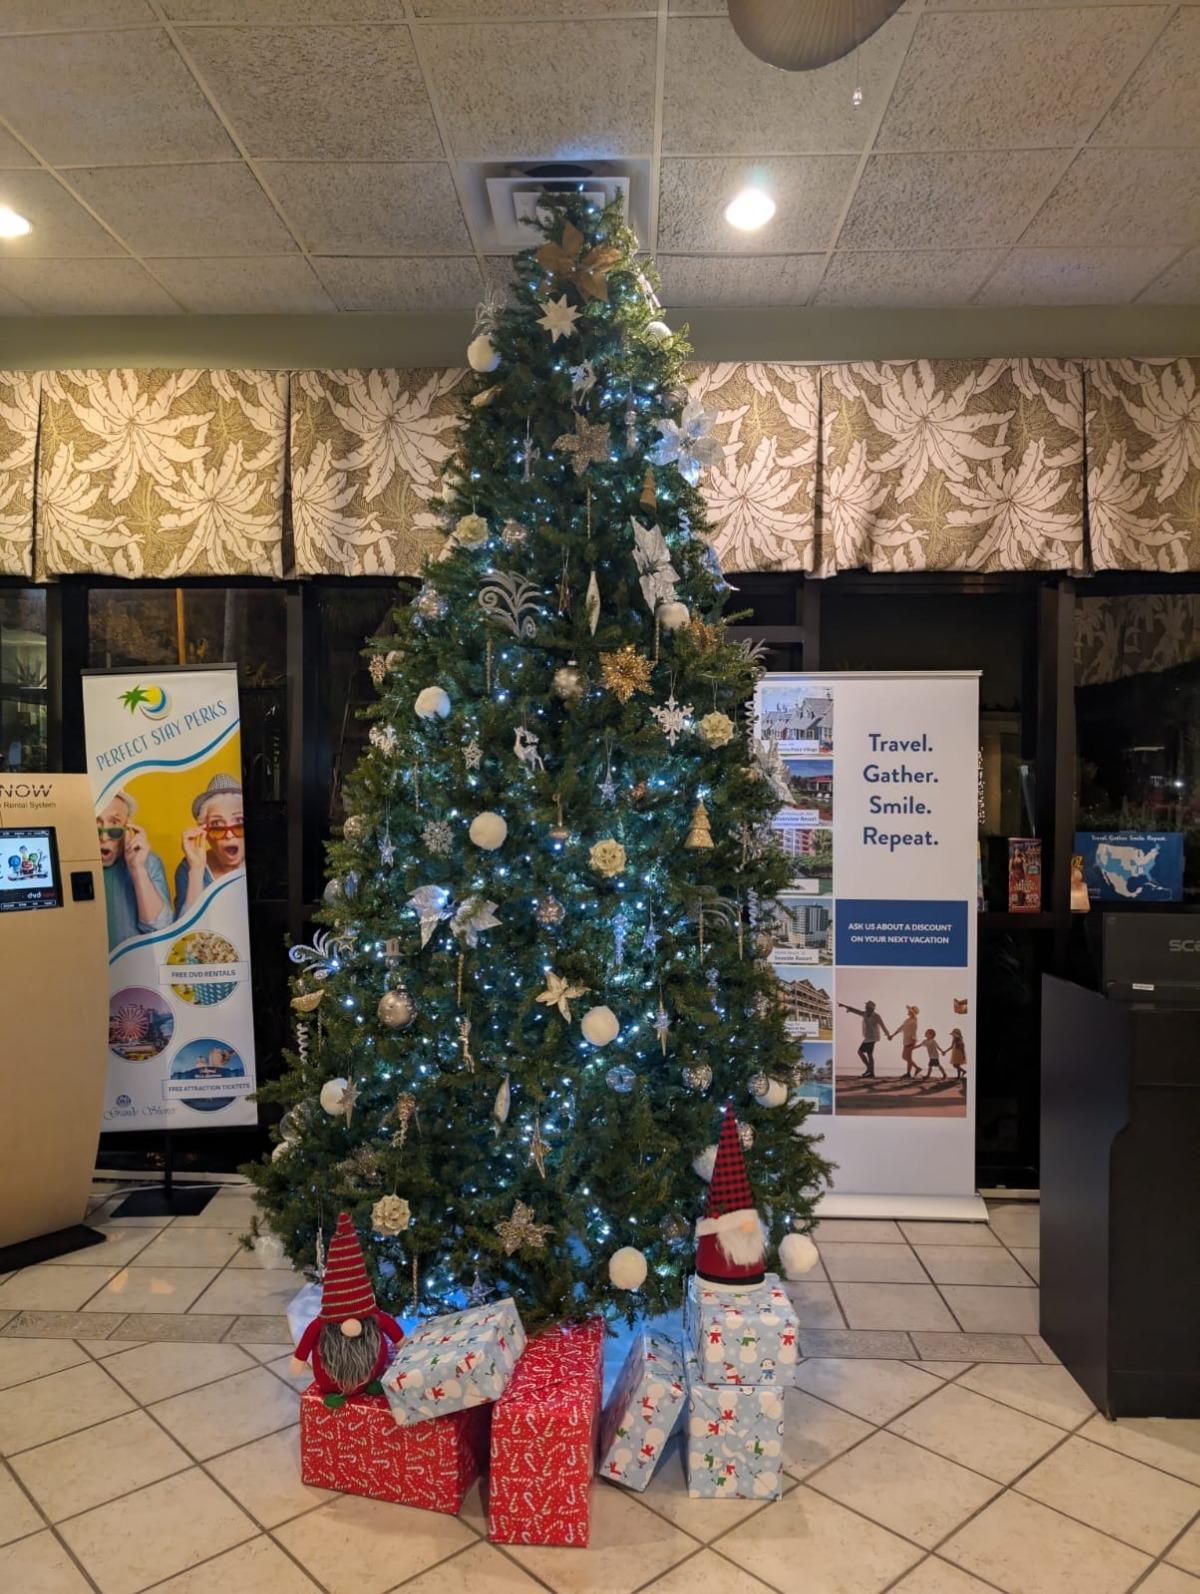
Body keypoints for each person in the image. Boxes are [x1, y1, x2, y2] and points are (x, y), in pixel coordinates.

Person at [96, 791, 172, 950]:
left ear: (128, 828)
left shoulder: (148, 862)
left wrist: (138, 869)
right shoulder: (71, 863)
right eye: (95, 825)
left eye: (114, 824)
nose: (104, 838)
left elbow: (161, 929)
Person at [175, 773, 246, 919]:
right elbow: (186, 932)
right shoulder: (187, 868)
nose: (229, 835)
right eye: (217, 826)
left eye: (238, 822)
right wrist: (196, 869)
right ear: (204, 833)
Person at [839, 998, 891, 1078]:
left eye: (867, 1006)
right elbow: (856, 1011)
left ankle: (871, 1072)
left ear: (871, 1007)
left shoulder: (876, 1016)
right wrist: (844, 1006)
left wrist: (888, 1035)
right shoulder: (865, 1014)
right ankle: (869, 1069)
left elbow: (882, 1026)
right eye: (866, 1006)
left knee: (869, 1054)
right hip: (867, 1037)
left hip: (873, 1037)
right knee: (860, 1052)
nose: (865, 1007)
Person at [889, 1004, 921, 1078]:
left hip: (911, 1040)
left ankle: (908, 1073)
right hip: (906, 1040)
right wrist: (892, 1035)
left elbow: (914, 1030)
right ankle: (917, 1068)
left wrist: (909, 1008)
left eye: (910, 1011)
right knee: (904, 1057)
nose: (908, 1012)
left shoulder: (914, 1020)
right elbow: (900, 1028)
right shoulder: (907, 1020)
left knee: (908, 1057)